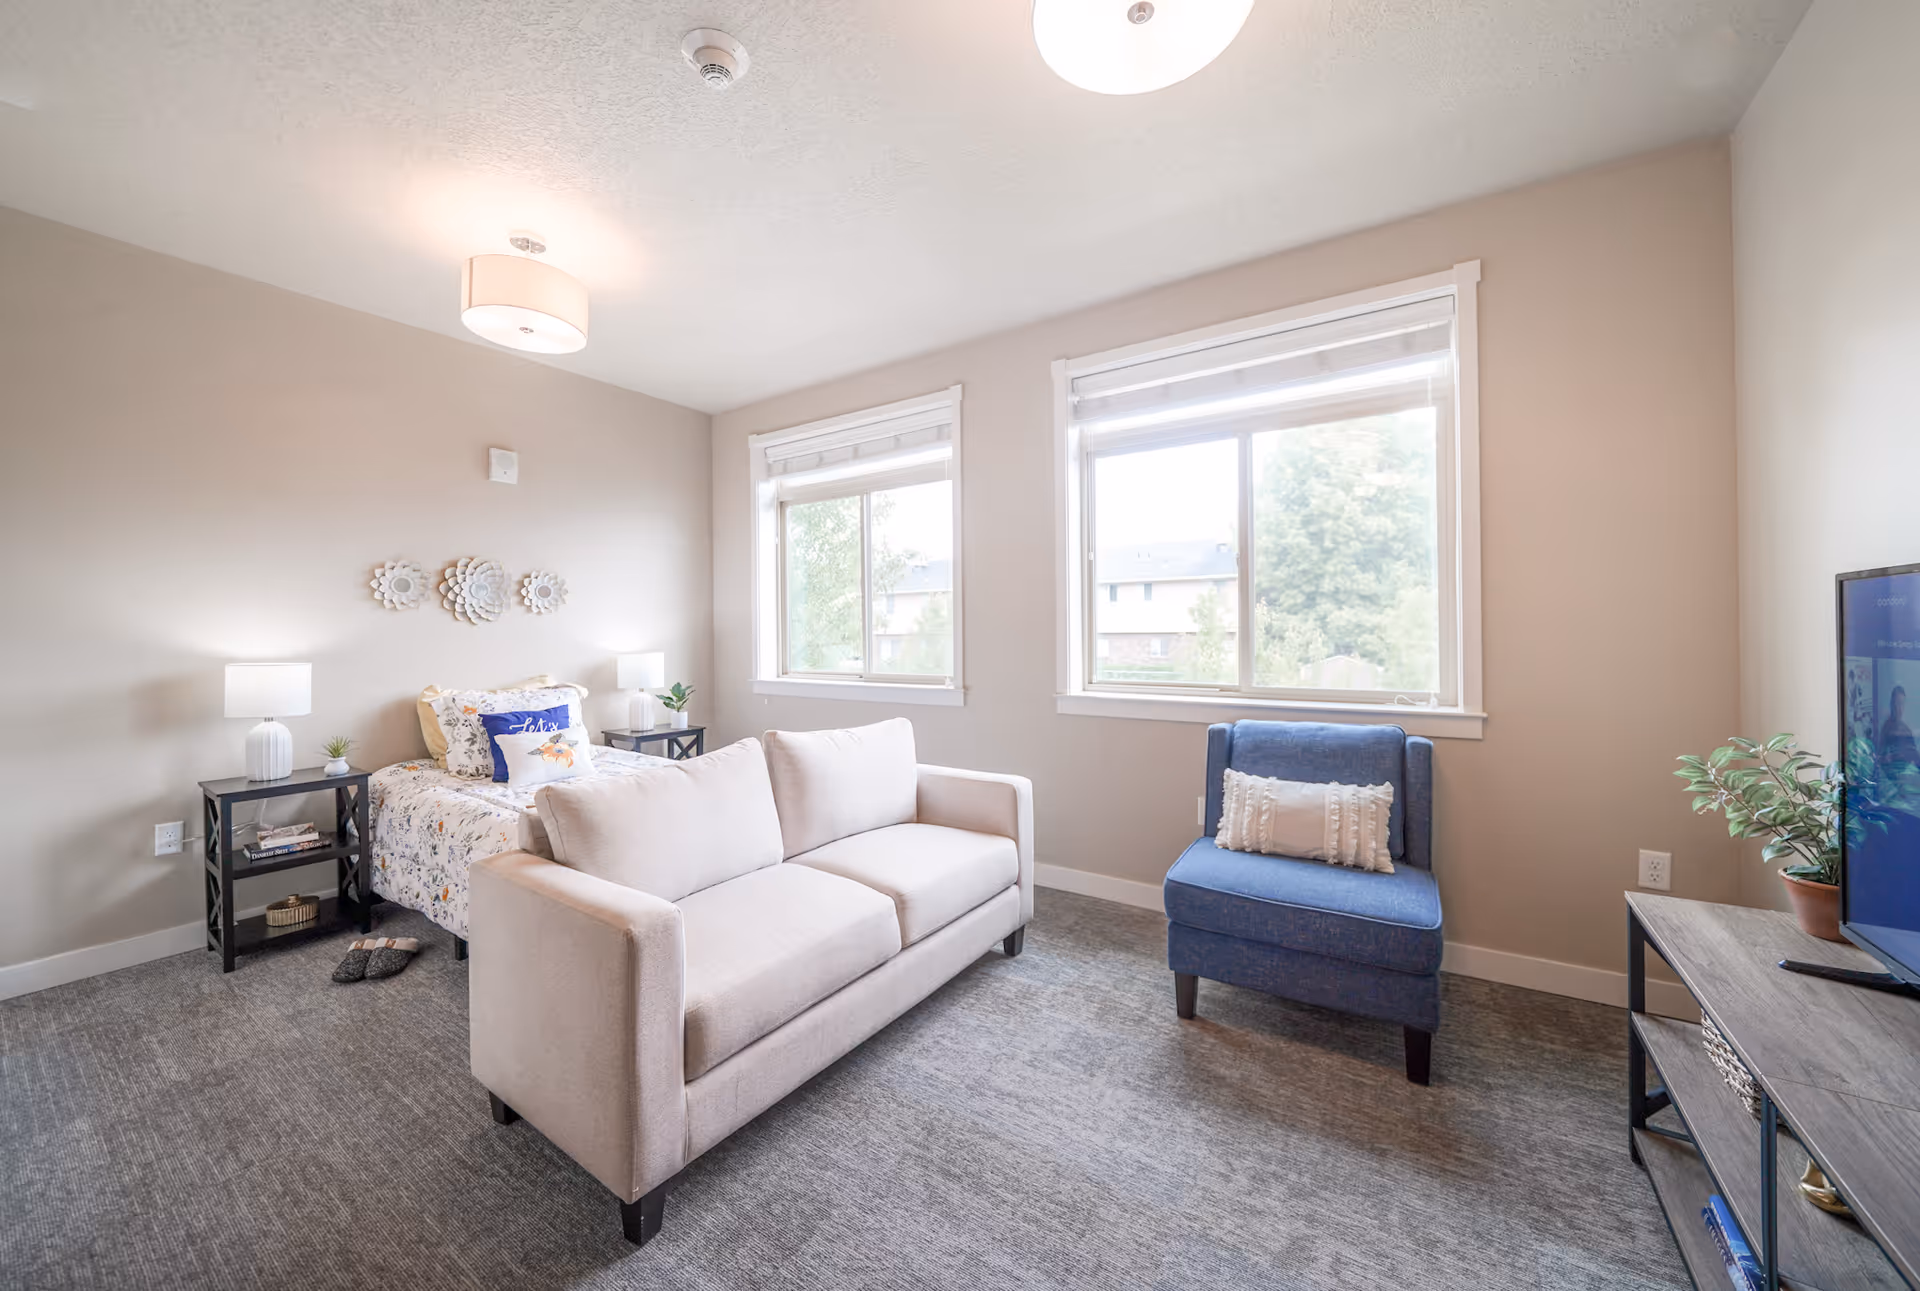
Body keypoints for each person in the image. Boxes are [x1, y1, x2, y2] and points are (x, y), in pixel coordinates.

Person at [1882, 686, 1918, 770]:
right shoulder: (1886, 728)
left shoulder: (1906, 729)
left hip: (1906, 774)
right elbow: (1880, 756)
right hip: (1891, 776)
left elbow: (1914, 756)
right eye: (1897, 703)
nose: (1899, 708)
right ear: (1891, 704)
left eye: (1902, 703)